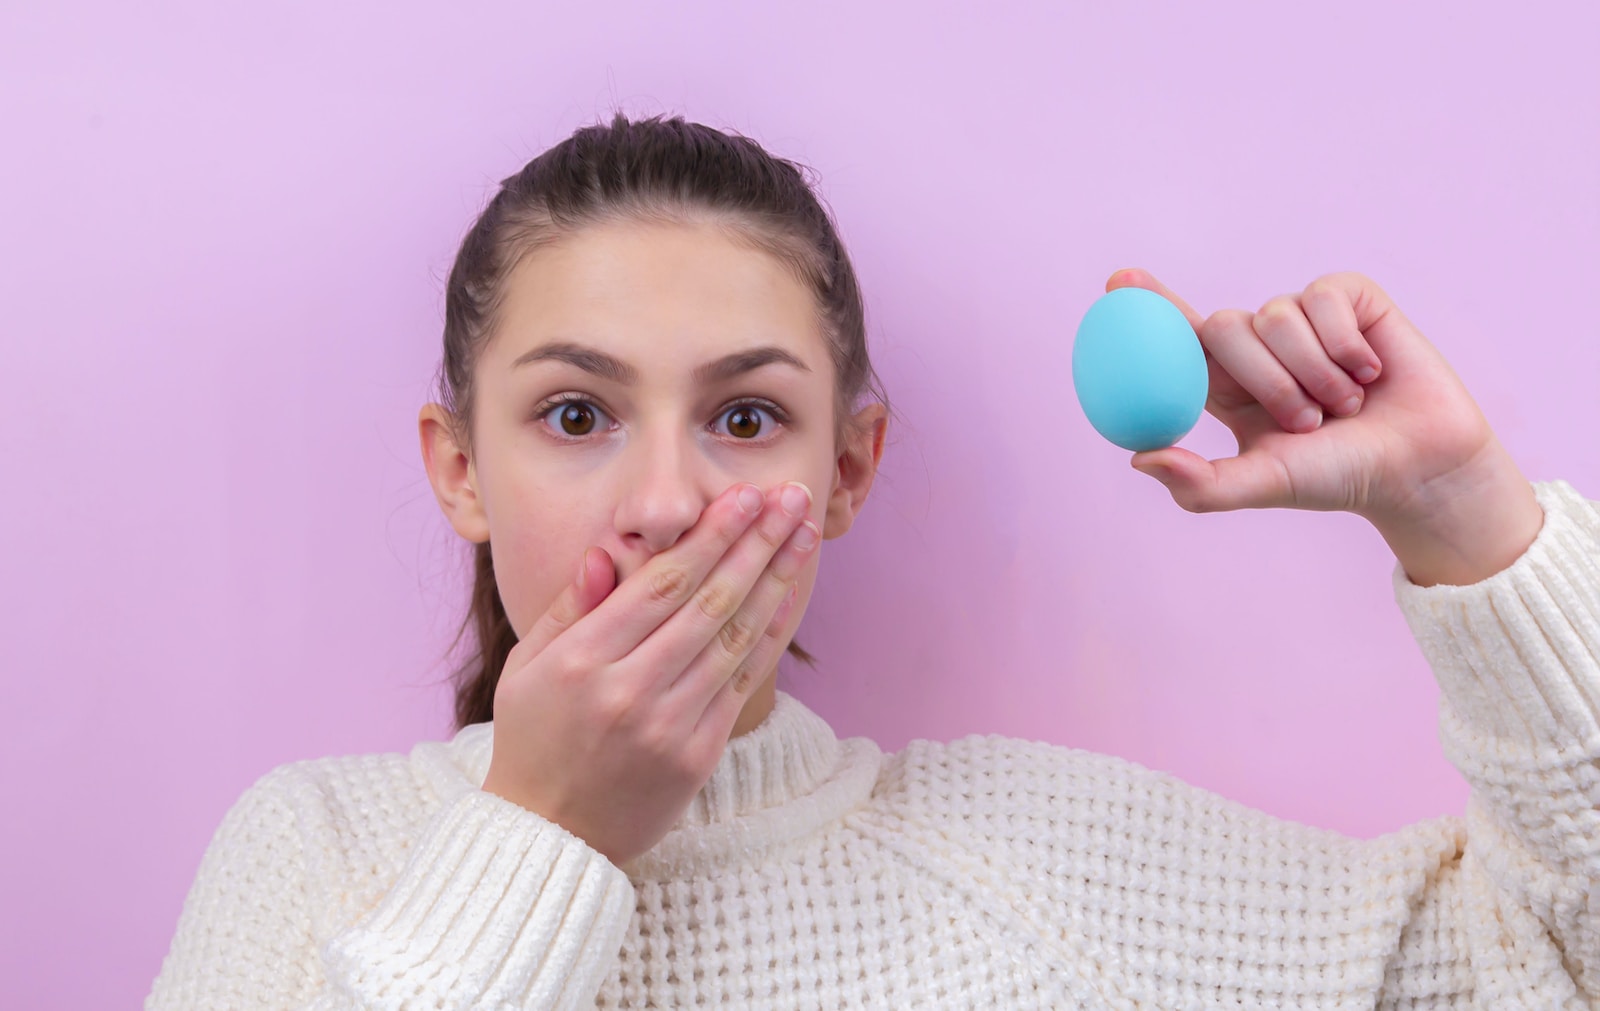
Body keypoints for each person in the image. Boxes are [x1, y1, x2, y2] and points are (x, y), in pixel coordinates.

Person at [145, 113, 1599, 1010]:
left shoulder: (1053, 870)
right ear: (460, 466)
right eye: (576, 414)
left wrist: (1466, 514)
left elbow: (1549, 972)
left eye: (747, 416)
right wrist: (543, 839)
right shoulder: (318, 859)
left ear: (845, 469)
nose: (663, 502)